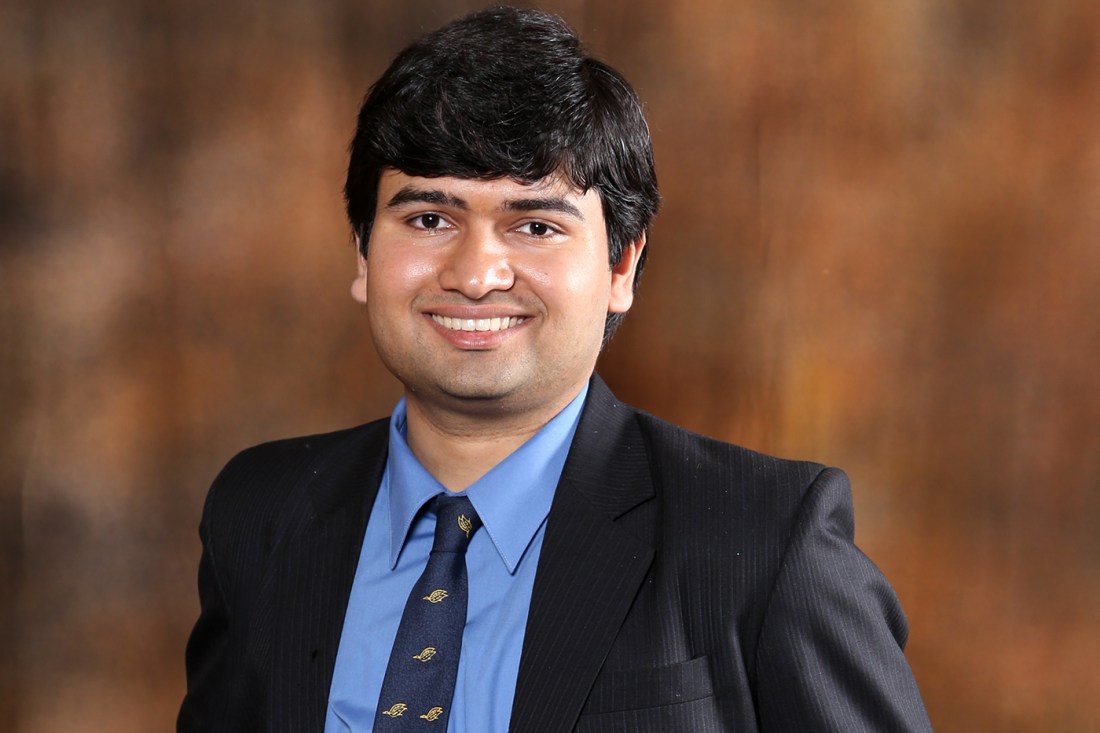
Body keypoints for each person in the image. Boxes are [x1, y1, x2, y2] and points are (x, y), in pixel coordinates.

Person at [178, 6, 932, 732]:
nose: (475, 275)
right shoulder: (263, 516)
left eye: (534, 225)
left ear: (622, 266)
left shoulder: (763, 541)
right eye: (429, 219)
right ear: (363, 253)